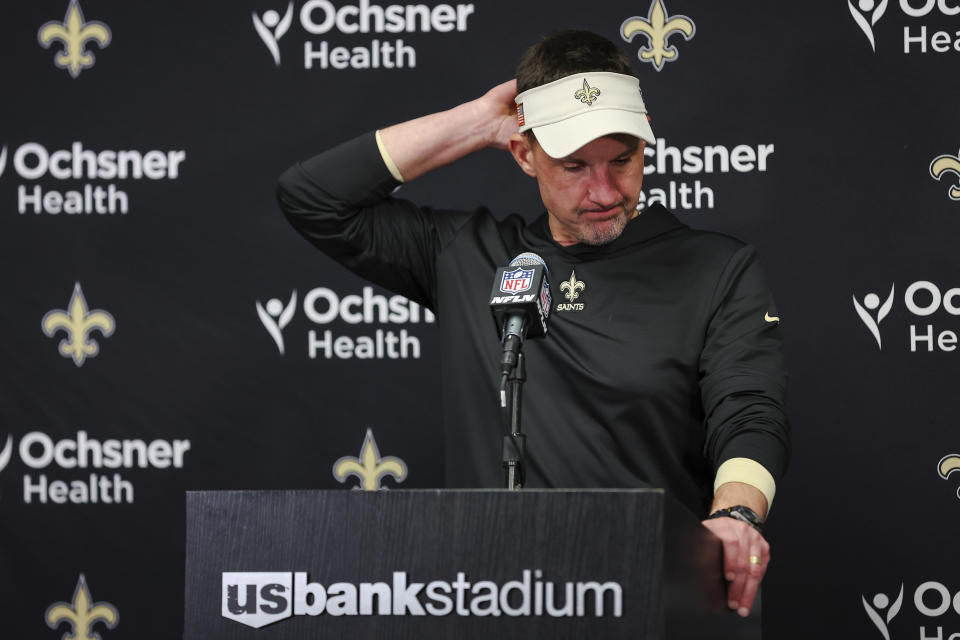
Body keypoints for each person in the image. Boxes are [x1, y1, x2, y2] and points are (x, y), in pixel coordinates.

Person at [276, 29, 790, 618]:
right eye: (574, 165)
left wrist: (735, 515)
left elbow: (749, 409)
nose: (603, 191)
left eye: (622, 160)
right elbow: (311, 198)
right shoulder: (467, 255)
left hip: (649, 596)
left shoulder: (716, 267)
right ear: (525, 155)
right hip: (490, 600)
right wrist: (476, 122)